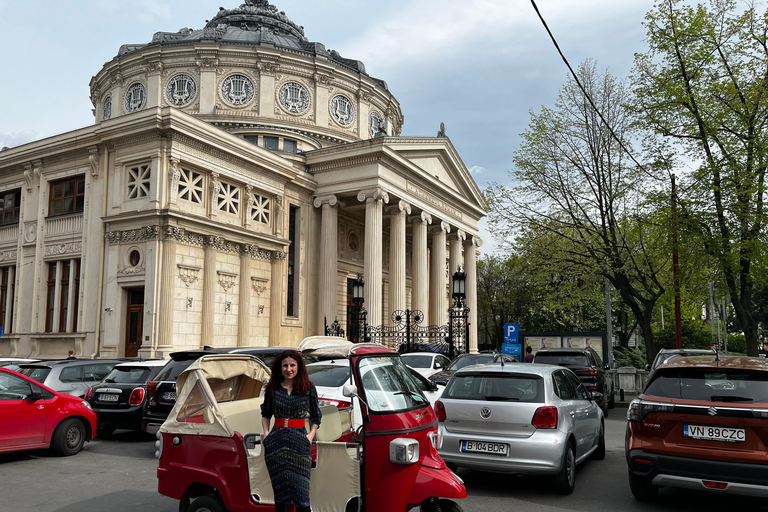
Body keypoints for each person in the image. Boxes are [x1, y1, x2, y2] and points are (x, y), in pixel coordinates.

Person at [261, 350, 322, 512]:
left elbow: (316, 417)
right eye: (285, 365)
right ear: (279, 368)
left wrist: (310, 436)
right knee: (280, 495)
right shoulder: (272, 389)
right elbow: (266, 414)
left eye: (292, 365)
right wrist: (266, 434)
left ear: (299, 367)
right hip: (275, 443)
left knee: (302, 496)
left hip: (300, 442)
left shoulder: (308, 388)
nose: (289, 369)